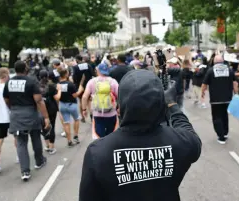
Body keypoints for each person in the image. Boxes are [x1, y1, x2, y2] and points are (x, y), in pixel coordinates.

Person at [79, 70, 202, 201]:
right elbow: (190, 134)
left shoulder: (98, 152)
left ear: (119, 109)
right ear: (162, 106)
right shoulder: (181, 142)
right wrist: (172, 104)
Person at [3, 61, 49, 181]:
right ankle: (39, 161)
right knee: (35, 137)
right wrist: (46, 117)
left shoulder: (9, 82)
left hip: (16, 114)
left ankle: (25, 171)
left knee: (21, 142)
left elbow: (6, 99)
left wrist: (13, 109)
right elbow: (39, 100)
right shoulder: (31, 81)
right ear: (25, 69)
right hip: (31, 113)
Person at [201, 55, 238, 144]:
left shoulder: (210, 71)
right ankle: (225, 133)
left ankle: (221, 137)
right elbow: (235, 83)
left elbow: (204, 84)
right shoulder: (229, 70)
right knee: (224, 115)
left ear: (214, 62)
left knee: (217, 117)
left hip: (215, 99)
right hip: (228, 98)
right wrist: (236, 93)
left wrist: (202, 93)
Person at [81, 63, 119, 139]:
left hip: (97, 114)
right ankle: (109, 149)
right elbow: (120, 96)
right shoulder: (113, 81)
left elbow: (84, 97)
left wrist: (84, 109)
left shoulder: (92, 82)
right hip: (111, 113)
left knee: (99, 137)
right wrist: (119, 108)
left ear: (98, 71)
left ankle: (101, 149)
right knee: (111, 136)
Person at [58, 66, 84, 147]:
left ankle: (69, 140)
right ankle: (75, 136)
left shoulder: (58, 85)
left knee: (66, 123)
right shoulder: (70, 84)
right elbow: (75, 95)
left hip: (62, 105)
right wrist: (80, 90)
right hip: (71, 105)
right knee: (76, 119)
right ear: (66, 74)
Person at [39, 70, 62, 154]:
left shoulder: (36, 86)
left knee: (44, 126)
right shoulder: (51, 86)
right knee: (52, 126)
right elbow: (57, 98)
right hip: (51, 109)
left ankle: (47, 145)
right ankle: (52, 147)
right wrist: (59, 90)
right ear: (48, 76)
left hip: (41, 109)